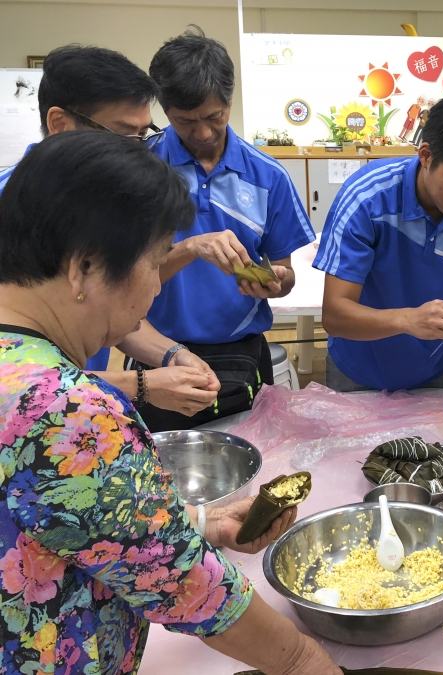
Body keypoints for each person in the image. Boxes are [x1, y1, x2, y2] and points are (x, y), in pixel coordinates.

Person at [0, 132, 339, 675]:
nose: (157, 291)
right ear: (85, 268)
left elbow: (62, 521)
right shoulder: (68, 413)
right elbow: (194, 590)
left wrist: (198, 521)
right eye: (155, 264)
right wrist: (301, 658)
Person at [0, 44, 220, 419]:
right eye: (122, 135)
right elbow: (23, 377)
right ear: (60, 124)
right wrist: (139, 386)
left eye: (143, 135)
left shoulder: (97, 201)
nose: (138, 151)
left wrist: (172, 354)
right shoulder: (16, 206)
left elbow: (105, 305)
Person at [145, 27, 315, 430]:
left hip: (242, 355)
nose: (202, 133)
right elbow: (121, 277)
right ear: (164, 110)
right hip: (158, 351)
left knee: (253, 470)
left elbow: (284, 272)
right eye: (185, 121)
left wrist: (276, 280)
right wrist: (190, 248)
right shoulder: (139, 170)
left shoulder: (268, 176)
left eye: (214, 117)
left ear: (230, 101)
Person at [314, 90, 443, 398]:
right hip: (357, 373)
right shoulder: (368, 198)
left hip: (437, 371)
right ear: (426, 156)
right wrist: (408, 319)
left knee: (437, 448)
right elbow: (335, 314)